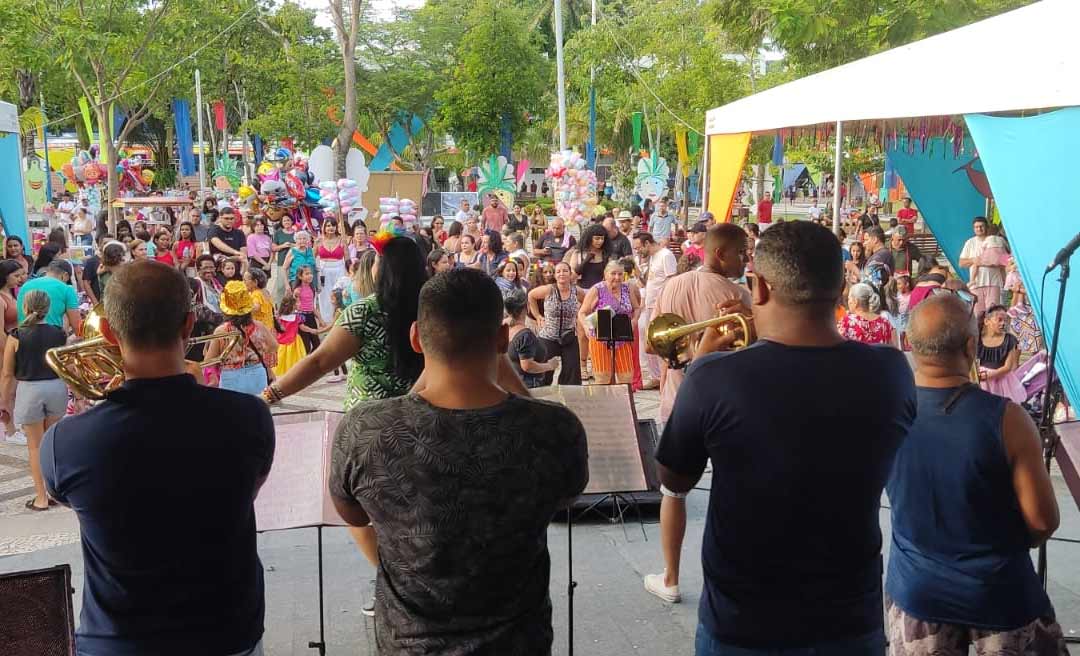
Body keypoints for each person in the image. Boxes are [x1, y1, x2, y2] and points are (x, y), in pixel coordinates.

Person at [655, 220, 915, 654]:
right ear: (840, 289)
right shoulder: (890, 371)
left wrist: (702, 363)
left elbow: (674, 478)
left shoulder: (714, 376)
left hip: (742, 622)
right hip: (850, 619)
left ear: (757, 288)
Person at [328, 268, 588, 653]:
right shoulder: (555, 428)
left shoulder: (364, 429)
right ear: (503, 338)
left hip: (409, 646)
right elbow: (565, 495)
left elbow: (352, 514)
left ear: (415, 338)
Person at [40, 260, 274, 656]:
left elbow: (67, 497)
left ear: (108, 332)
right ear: (188, 326)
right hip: (226, 634)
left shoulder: (64, 441)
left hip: (116, 642)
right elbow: (246, 487)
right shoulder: (250, 416)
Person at [885, 293, 1065, 655]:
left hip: (917, 596)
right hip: (999, 596)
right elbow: (1042, 521)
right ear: (971, 347)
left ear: (909, 342)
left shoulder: (885, 411)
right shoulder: (1007, 419)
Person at [266, 233, 426, 609]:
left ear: (382, 269)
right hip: (422, 424)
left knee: (353, 507)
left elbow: (320, 361)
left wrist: (270, 395)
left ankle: (396, 581)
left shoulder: (364, 312)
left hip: (368, 431)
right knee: (412, 512)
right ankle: (417, 580)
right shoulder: (432, 309)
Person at [643, 223, 752, 604]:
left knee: (673, 491)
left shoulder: (672, 285)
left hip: (680, 398)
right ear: (720, 254)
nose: (746, 259)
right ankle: (732, 575)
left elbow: (654, 344)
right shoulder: (738, 296)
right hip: (728, 403)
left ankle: (670, 578)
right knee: (732, 488)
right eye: (741, 252)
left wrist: (688, 353)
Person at [2, 290, 66, 511]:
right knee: (52, 444)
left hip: (29, 390)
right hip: (56, 387)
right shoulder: (60, 333)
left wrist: (4, 401)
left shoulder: (16, 336)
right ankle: (55, 493)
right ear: (48, 309)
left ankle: (41, 498)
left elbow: (7, 374)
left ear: (25, 307)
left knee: (35, 447)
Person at [204, 281, 278, 396]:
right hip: (257, 373)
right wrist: (261, 351)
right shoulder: (259, 326)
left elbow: (209, 360)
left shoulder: (221, 331)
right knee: (256, 405)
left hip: (231, 376)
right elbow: (273, 346)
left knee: (233, 407)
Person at [578, 260, 641, 385]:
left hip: (623, 336)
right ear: (606, 274)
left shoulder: (627, 288)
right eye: (613, 273)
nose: (617, 277)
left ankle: (623, 398)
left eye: (620, 274)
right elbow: (582, 312)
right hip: (600, 336)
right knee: (603, 376)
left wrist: (634, 321)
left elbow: (637, 308)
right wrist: (586, 327)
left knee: (626, 376)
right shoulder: (597, 289)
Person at [528, 261, 585, 385]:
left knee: (572, 371)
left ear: (570, 274)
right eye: (558, 271)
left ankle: (568, 394)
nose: (562, 274)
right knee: (544, 373)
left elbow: (587, 303)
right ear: (555, 275)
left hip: (569, 336)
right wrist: (537, 316)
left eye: (565, 271)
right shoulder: (549, 289)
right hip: (548, 336)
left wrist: (580, 314)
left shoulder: (577, 291)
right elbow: (531, 295)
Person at [635, 232, 677, 389]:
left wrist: (664, 303)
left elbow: (671, 279)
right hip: (649, 304)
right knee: (649, 340)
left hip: (660, 305)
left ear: (647, 243)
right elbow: (650, 281)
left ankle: (664, 376)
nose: (638, 251)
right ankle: (655, 376)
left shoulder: (666, 255)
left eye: (639, 248)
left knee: (659, 340)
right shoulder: (652, 257)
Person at [504, 289, 558, 388]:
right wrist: (550, 365)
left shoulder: (503, 327)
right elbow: (528, 366)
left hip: (510, 382)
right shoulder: (525, 335)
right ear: (527, 308)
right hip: (528, 385)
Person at [977, 303, 1025, 403]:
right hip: (980, 380)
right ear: (987, 321)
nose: (1003, 323)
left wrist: (988, 375)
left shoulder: (1010, 340)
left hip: (1001, 382)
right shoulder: (977, 339)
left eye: (1005, 320)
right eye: (999, 320)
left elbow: (1008, 367)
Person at [959, 216, 1008, 314]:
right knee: (977, 314)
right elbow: (961, 263)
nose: (979, 229)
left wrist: (994, 263)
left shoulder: (997, 241)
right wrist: (974, 260)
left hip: (994, 283)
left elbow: (1006, 261)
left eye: (981, 226)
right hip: (976, 284)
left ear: (987, 227)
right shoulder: (970, 242)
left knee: (992, 313)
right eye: (976, 227)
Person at [17, 258, 81, 334]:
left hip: (23, 336)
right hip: (52, 337)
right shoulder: (67, 289)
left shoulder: (25, 286)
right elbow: (77, 327)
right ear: (65, 275)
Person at [316, 218, 347, 324]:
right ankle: (326, 321)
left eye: (333, 225)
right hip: (323, 271)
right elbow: (312, 257)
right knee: (324, 295)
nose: (331, 228)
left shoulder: (342, 240)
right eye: (328, 225)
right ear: (324, 227)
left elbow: (347, 257)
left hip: (339, 269)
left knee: (339, 294)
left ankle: (339, 319)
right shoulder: (319, 241)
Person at [273, 294, 308, 378]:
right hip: (293, 343)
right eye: (296, 303)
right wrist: (315, 331)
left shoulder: (279, 318)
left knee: (282, 362)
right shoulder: (296, 317)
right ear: (292, 306)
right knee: (294, 361)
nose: (298, 304)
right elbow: (303, 328)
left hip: (283, 343)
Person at [566, 223, 609, 290]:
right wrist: (585, 262)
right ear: (589, 238)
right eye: (597, 238)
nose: (600, 241)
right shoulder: (578, 253)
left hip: (600, 291)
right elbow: (571, 278)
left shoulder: (605, 254)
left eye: (602, 238)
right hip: (582, 291)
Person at [270, 214, 297, 304]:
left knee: (294, 286)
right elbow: (273, 248)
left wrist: (293, 245)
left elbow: (302, 245)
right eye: (284, 221)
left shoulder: (296, 233)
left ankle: (293, 307)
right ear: (282, 222)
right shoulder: (278, 233)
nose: (286, 222)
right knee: (281, 286)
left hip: (295, 263)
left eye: (288, 220)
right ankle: (280, 307)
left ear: (292, 221)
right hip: (282, 263)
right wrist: (283, 246)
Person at [245, 268, 275, 333]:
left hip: (260, 331)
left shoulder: (256, 294)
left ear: (255, 282)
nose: (243, 283)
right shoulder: (265, 292)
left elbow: (256, 307)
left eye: (245, 280)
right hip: (269, 329)